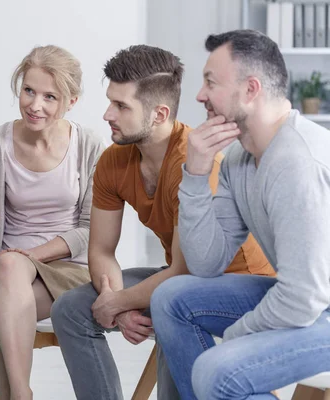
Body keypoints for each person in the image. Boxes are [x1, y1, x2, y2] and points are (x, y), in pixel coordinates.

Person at [50, 45, 275, 400]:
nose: (108, 113)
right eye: (111, 101)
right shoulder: (113, 160)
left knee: (174, 303)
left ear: (159, 113)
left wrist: (123, 301)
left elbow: (188, 273)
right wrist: (113, 299)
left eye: (122, 106)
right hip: (179, 278)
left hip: (238, 284)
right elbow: (102, 249)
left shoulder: (196, 163)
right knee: (71, 308)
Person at [150, 29, 330, 400]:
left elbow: (302, 299)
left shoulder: (296, 162)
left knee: (216, 370)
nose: (199, 95)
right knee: (171, 298)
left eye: (210, 83)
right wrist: (196, 174)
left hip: (315, 305)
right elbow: (205, 263)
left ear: (250, 90)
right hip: (312, 301)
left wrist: (235, 337)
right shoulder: (239, 159)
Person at [0, 45, 105, 399]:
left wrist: (33, 254)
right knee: (11, 269)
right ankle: (22, 393)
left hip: (70, 267)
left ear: (71, 101)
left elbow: (92, 229)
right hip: (8, 266)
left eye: (49, 96)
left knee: (11, 299)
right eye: (29, 90)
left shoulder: (88, 145)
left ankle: (11, 394)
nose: (35, 105)